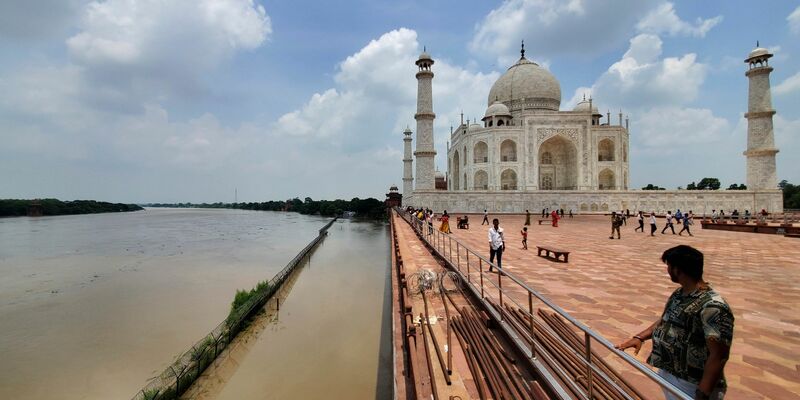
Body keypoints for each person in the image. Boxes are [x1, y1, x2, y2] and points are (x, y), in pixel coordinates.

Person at [615, 245, 733, 400]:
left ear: (677, 269)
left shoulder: (713, 306)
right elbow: (667, 319)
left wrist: (703, 393)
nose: (668, 270)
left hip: (693, 384)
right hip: (671, 372)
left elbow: (719, 355)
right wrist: (639, 337)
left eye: (669, 266)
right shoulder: (680, 293)